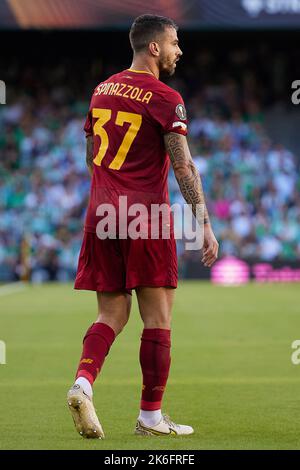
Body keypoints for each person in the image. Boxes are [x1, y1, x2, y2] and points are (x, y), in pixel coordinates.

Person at [67, 14, 219, 439]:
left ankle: (82, 383)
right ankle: (150, 417)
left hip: (100, 215)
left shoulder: (101, 91)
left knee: (111, 313)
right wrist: (203, 223)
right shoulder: (166, 97)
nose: (179, 50)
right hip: (145, 217)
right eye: (174, 43)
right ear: (154, 47)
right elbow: (184, 166)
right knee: (158, 319)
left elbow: (90, 153)